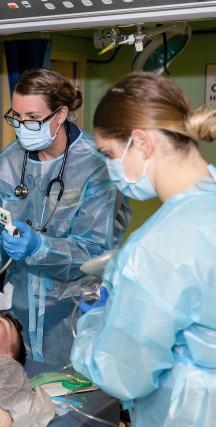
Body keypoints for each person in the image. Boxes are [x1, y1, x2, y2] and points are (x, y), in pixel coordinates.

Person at [0, 68, 131, 367]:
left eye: (34, 118)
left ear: (61, 114)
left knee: (74, 399)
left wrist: (40, 247)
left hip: (76, 310)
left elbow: (95, 250)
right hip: (20, 312)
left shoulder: (96, 164)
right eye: (18, 117)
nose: (23, 126)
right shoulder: (9, 163)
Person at [71, 72, 216, 426]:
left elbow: (123, 374)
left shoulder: (154, 250)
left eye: (108, 154)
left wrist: (94, 324)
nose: (110, 169)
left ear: (141, 143)